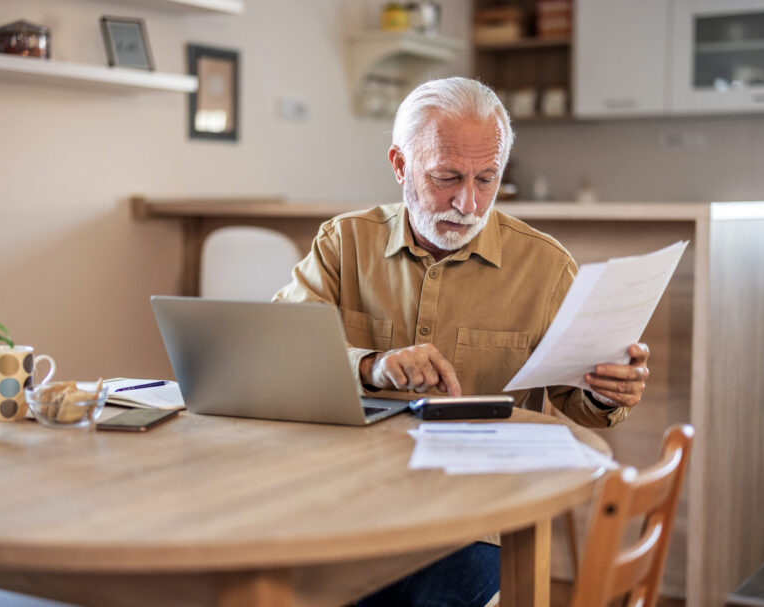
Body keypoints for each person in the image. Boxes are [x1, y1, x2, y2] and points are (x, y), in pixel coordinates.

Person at [274, 77, 650, 607]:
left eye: (486, 178)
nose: (468, 202)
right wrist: (371, 365)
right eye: (447, 177)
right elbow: (279, 352)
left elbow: (579, 404)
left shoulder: (546, 269)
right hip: (351, 502)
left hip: (479, 518)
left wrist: (606, 392)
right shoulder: (344, 243)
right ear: (400, 165)